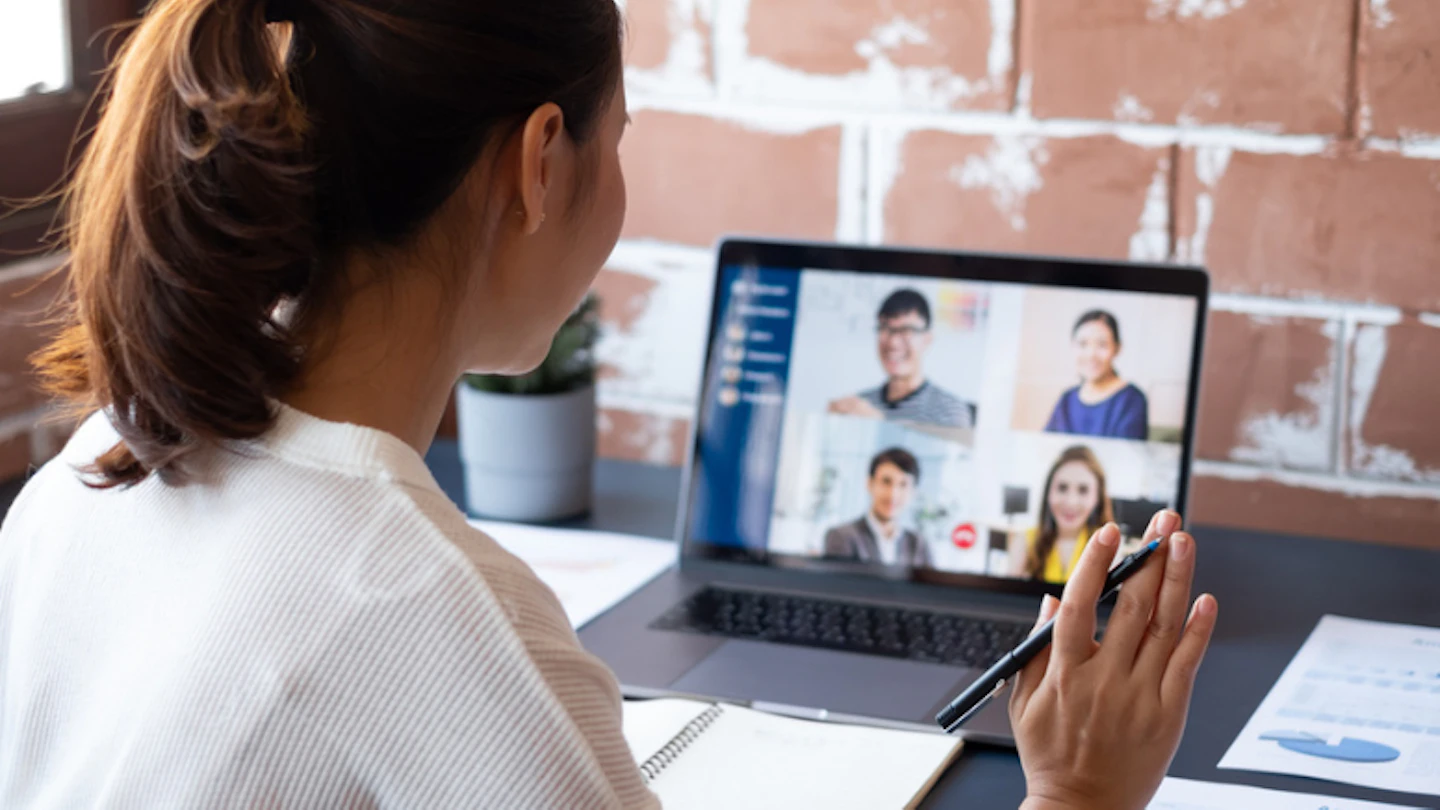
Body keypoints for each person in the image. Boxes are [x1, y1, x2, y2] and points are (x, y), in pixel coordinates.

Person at [0, 1, 1217, 808]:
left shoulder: (86, 476)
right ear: (540, 161)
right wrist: (1079, 796)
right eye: (617, 136)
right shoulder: (428, 619)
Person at [828, 288, 977, 429]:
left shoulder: (950, 410)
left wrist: (877, 426)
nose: (893, 342)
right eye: (885, 329)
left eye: (906, 331)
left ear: (927, 339)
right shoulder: (860, 404)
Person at [1011, 446, 1115, 584]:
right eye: (1062, 488)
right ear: (1049, 492)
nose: (1071, 502)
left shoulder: (1107, 546)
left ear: (1097, 498)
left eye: (1083, 490)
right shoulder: (1024, 542)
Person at [1045, 310, 1149, 440]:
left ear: (1117, 348)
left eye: (1102, 345)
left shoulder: (1132, 400)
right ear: (1072, 346)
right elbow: (1046, 448)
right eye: (1083, 344)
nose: (1091, 354)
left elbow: (1126, 457)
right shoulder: (1067, 399)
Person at [822, 447, 932, 569]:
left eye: (903, 485)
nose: (893, 494)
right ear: (870, 484)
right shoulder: (843, 537)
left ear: (913, 492)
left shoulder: (918, 545)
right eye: (886, 482)